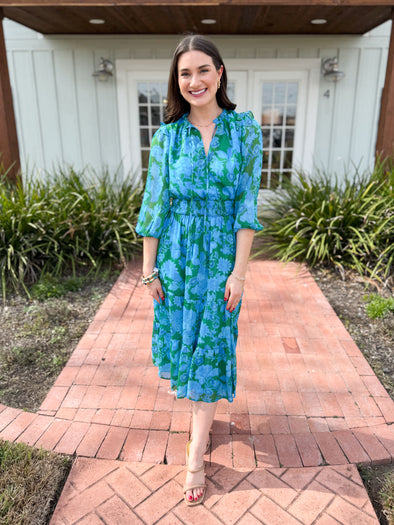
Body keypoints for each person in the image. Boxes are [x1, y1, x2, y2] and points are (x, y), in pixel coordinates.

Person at [136, 34, 263, 506]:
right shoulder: (167, 137)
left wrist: (239, 273)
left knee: (212, 346)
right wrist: (149, 273)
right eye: (185, 73)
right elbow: (154, 207)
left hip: (220, 262)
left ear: (220, 73)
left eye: (203, 70)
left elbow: (247, 206)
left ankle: (196, 453)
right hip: (176, 257)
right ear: (178, 80)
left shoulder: (244, 130)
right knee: (186, 343)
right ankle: (201, 426)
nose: (195, 81)